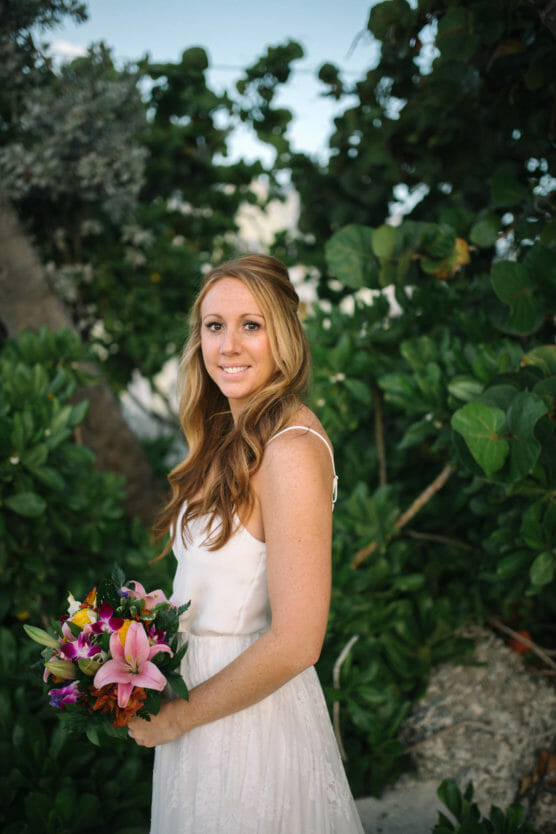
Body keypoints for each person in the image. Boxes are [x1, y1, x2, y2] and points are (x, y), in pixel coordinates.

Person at [128, 254, 364, 834]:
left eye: (250, 325)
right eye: (215, 326)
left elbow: (298, 641)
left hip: (249, 725)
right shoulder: (228, 437)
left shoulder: (289, 450)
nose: (229, 345)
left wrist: (178, 718)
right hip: (201, 708)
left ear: (283, 334)